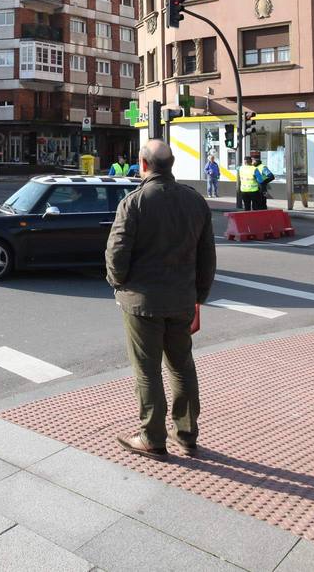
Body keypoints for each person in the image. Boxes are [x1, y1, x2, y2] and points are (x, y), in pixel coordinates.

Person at [105, 139, 215, 459]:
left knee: (148, 370)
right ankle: (187, 433)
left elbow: (116, 255)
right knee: (182, 366)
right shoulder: (195, 202)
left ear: (142, 164)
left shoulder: (134, 202)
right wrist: (200, 295)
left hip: (142, 303)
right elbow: (207, 255)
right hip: (182, 300)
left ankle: (152, 437)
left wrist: (119, 284)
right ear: (172, 164)